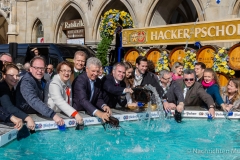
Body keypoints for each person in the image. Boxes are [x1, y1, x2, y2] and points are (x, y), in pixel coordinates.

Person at [15, 56, 64, 126]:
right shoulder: (26, 81)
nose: (40, 71)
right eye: (36, 68)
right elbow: (33, 100)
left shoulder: (41, 80)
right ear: (31, 69)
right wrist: (53, 114)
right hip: (25, 118)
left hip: (35, 114)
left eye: (42, 68)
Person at [72, 57, 112, 122]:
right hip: (78, 113)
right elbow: (83, 100)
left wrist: (104, 106)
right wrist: (99, 114)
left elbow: (98, 98)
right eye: (93, 71)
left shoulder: (98, 81)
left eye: (97, 71)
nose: (96, 74)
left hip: (90, 112)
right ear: (87, 69)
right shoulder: (80, 80)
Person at [0, 63, 35, 130]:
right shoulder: (2, 87)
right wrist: (27, 118)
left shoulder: (11, 87)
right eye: (11, 75)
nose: (15, 78)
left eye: (17, 75)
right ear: (4, 76)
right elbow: (8, 107)